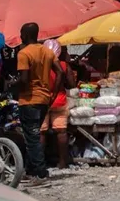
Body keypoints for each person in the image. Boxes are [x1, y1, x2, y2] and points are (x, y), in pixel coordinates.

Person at [17, 23, 63, 181]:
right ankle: (30, 171)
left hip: (29, 99)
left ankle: (41, 173)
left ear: (26, 34)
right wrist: (53, 93)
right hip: (44, 99)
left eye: (21, 33)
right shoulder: (47, 52)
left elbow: (23, 79)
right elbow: (60, 72)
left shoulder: (24, 53)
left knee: (32, 137)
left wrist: (12, 86)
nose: (20, 36)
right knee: (33, 135)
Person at [40, 41, 76, 170]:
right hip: (59, 101)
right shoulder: (64, 66)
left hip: (42, 100)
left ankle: (41, 163)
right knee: (61, 131)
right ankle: (62, 162)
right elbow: (72, 84)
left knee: (41, 133)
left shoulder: (39, 65)